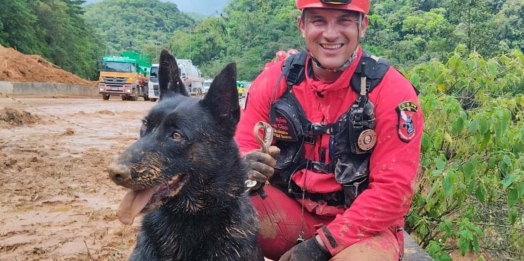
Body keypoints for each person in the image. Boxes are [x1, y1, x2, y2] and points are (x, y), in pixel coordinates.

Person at [235, 0, 424, 261]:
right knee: (214, 208)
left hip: (363, 229)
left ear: (363, 26)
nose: (331, 34)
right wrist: (246, 164)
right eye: (318, 20)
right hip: (291, 213)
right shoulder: (275, 80)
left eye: (344, 20)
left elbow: (393, 191)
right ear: (302, 25)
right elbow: (241, 144)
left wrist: (322, 245)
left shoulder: (390, 90)